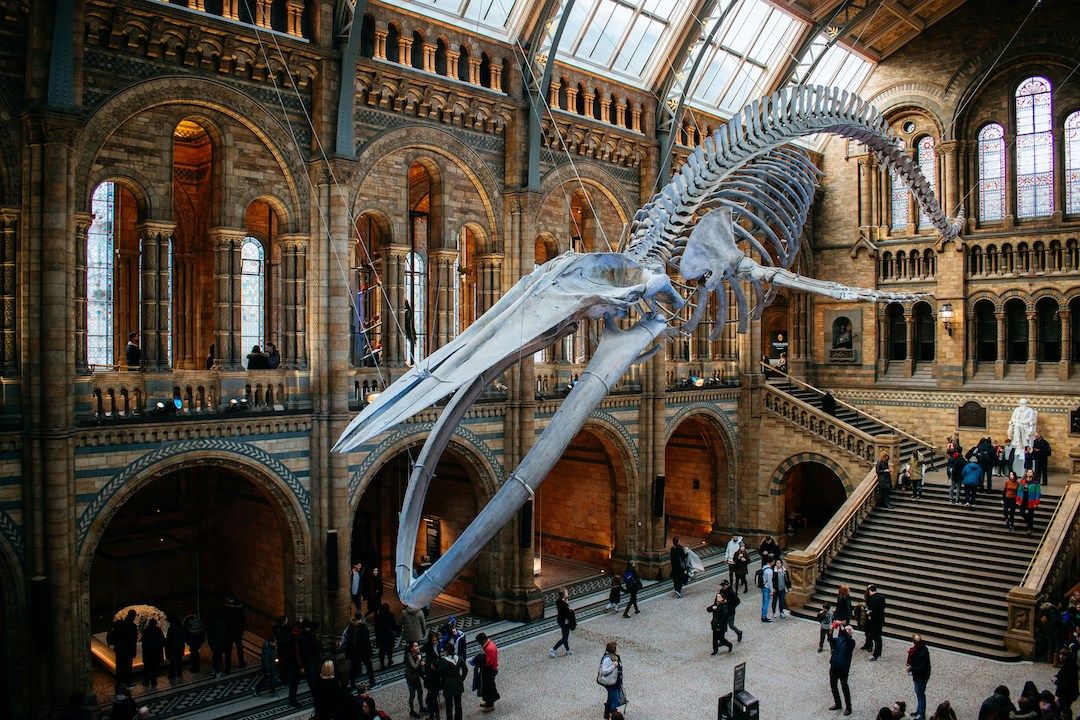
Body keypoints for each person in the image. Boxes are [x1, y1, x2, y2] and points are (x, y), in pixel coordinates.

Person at [342, 613, 376, 689]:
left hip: (354, 652)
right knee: (369, 667)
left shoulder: (350, 627)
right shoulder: (363, 628)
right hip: (363, 652)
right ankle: (372, 683)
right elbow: (366, 642)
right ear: (361, 618)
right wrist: (370, 653)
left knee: (354, 668)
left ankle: (352, 684)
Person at [827, 622, 855, 715]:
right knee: (833, 685)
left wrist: (842, 628)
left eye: (846, 630)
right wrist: (830, 631)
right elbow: (830, 640)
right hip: (834, 665)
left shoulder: (851, 642)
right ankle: (838, 703)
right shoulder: (839, 639)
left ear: (850, 633)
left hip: (843, 667)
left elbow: (847, 638)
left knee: (844, 687)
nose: (843, 631)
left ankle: (849, 707)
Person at [438, 640, 468, 720]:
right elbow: (465, 670)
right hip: (458, 683)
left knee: (449, 706)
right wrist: (461, 679)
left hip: (448, 685)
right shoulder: (459, 658)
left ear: (446, 651)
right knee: (458, 705)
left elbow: (439, 673)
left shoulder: (443, 661)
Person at [111, 609, 139, 689]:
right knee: (127, 667)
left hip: (119, 649)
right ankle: (127, 682)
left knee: (119, 666)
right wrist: (134, 651)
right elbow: (133, 641)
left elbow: (115, 635)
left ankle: (119, 682)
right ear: (133, 616)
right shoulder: (133, 627)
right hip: (128, 650)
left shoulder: (120, 624)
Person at [906, 633, 931, 720]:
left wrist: (911, 668)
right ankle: (919, 711)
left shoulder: (921, 652)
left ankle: (921, 715)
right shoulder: (921, 648)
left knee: (920, 695)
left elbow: (922, 668)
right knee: (918, 694)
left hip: (921, 676)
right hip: (920, 676)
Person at [596, 640, 624, 720]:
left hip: (614, 682)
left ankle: (606, 715)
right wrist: (613, 666)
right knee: (614, 701)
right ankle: (614, 716)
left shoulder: (613, 656)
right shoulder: (607, 658)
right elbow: (604, 671)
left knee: (611, 698)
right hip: (611, 683)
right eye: (615, 648)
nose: (616, 650)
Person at [278, 620, 302, 708]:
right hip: (293, 663)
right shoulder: (293, 639)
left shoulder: (289, 635)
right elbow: (296, 653)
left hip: (290, 662)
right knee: (294, 682)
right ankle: (292, 699)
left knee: (294, 681)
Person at [474, 632, 500, 711]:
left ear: (483, 640)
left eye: (480, 642)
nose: (480, 644)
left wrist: (479, 661)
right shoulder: (489, 644)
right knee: (487, 686)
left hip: (490, 669)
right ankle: (488, 701)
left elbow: (489, 662)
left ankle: (490, 704)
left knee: (489, 687)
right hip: (489, 669)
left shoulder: (489, 648)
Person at [221, 593, 246, 671]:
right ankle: (241, 663)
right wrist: (242, 629)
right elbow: (243, 619)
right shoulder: (239, 606)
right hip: (237, 630)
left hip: (228, 631)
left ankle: (228, 667)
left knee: (228, 649)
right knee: (239, 647)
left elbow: (223, 620)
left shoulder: (225, 608)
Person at [550, 587, 576, 657]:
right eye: (566, 592)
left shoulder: (559, 601)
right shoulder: (563, 604)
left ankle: (568, 651)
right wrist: (571, 610)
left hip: (561, 621)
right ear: (564, 594)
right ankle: (553, 650)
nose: (568, 592)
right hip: (564, 622)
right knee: (564, 638)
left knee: (565, 636)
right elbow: (566, 613)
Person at [374, 602, 400, 668]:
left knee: (382, 651)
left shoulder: (378, 617)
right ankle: (389, 660)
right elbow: (394, 626)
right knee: (389, 649)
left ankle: (382, 663)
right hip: (389, 636)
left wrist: (377, 635)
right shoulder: (391, 616)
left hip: (381, 636)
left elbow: (376, 628)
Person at [141, 618, 165, 688]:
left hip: (148, 652)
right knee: (154, 667)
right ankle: (153, 681)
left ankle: (146, 681)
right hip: (156, 652)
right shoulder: (158, 630)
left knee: (147, 667)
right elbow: (162, 639)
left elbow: (144, 642)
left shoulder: (146, 631)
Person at [1055, 649, 1079, 720]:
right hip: (1067, 693)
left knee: (1064, 710)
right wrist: (1056, 677)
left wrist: (1056, 682)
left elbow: (1069, 682)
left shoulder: (1070, 666)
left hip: (1067, 694)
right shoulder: (1069, 664)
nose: (1060, 656)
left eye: (1062, 655)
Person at [865, 584, 886, 660]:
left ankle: (875, 655)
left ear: (870, 591)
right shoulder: (882, 597)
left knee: (876, 637)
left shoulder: (872, 599)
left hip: (875, 620)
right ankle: (879, 652)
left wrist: (868, 613)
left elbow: (873, 611)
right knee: (879, 637)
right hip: (880, 619)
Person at [405, 640, 425, 719]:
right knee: (412, 694)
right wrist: (419, 660)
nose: (418, 647)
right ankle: (412, 711)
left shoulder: (418, 654)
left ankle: (421, 707)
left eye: (418, 646)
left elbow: (419, 667)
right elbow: (414, 666)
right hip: (411, 678)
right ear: (411, 649)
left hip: (416, 677)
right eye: (415, 646)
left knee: (420, 692)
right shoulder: (409, 655)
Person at [1019, 470, 1042, 536]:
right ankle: (1029, 523)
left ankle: (1030, 528)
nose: (1028, 473)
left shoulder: (1036, 482)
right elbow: (1019, 490)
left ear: (1033, 474)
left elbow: (1038, 493)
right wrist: (1018, 499)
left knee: (1030, 514)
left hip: (1031, 500)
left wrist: (1036, 502)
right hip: (1023, 500)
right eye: (1028, 472)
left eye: (1030, 472)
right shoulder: (1023, 481)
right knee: (1022, 513)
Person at [165, 615, 186, 681]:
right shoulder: (181, 627)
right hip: (180, 646)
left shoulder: (171, 628)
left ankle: (172, 674)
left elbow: (169, 639)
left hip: (173, 647)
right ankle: (179, 673)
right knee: (179, 660)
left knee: (172, 661)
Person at [758, 557, 774, 622]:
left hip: (763, 586)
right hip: (766, 588)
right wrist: (772, 590)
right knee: (766, 603)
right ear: (771, 562)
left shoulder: (764, 567)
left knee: (764, 602)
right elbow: (770, 582)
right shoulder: (769, 571)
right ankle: (764, 617)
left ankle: (763, 615)